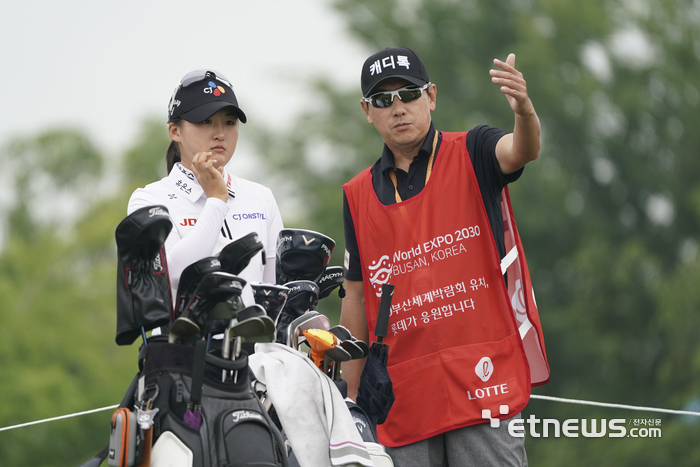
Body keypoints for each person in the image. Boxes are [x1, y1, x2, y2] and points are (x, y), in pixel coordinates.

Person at [340, 47, 549, 466]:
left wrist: (524, 111)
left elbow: (521, 151)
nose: (398, 108)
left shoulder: (473, 149)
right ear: (368, 111)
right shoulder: (357, 193)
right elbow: (357, 297)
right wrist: (350, 399)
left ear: (431, 96)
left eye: (409, 94)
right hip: (401, 395)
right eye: (383, 100)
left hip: (482, 379)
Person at [128, 69, 283, 313]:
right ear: (174, 131)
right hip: (182, 348)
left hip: (256, 349)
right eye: (205, 121)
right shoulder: (149, 199)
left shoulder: (261, 197)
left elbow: (275, 291)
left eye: (229, 122)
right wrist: (216, 201)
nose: (220, 133)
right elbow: (173, 274)